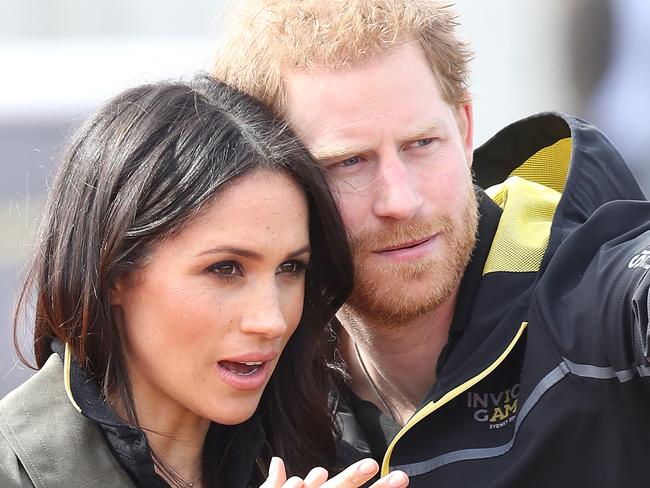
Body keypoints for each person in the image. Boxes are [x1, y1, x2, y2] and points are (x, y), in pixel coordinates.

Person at [212, 1, 650, 485]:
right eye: (349, 162)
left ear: (464, 129)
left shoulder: (596, 291)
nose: (400, 200)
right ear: (273, 178)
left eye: (421, 144)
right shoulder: (246, 371)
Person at [0, 75, 409, 488]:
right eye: (225, 269)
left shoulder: (344, 453)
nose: (271, 321)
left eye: (290, 269)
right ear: (114, 274)